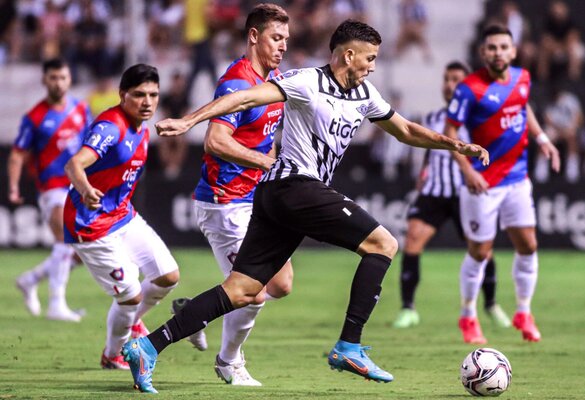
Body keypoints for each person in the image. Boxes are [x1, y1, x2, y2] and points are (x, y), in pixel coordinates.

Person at [122, 20, 488, 393]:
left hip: (272, 194)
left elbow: (406, 130)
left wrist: (454, 145)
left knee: (244, 290)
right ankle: (349, 345)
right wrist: (190, 120)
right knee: (384, 244)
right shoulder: (305, 81)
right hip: (294, 186)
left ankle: (147, 346)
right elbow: (246, 97)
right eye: (370, 58)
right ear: (349, 54)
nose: (373, 66)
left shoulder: (365, 93)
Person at [170, 3, 294, 386]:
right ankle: (229, 363)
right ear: (254, 36)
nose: (283, 46)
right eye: (276, 38)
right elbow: (215, 140)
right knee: (253, 292)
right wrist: (263, 161)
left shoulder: (274, 79)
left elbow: (263, 135)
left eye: (286, 39)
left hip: (254, 200)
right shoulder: (237, 83)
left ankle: (194, 311)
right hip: (224, 201)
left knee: (281, 285)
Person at [444, 25, 560, 344]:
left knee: (529, 245)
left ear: (513, 50)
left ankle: (524, 311)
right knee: (481, 252)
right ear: (483, 53)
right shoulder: (469, 89)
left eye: (503, 47)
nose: (498, 52)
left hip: (517, 179)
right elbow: (450, 132)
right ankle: (468, 315)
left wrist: (543, 138)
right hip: (483, 184)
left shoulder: (522, 78)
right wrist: (467, 170)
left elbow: (523, 107)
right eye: (491, 47)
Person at [63, 64, 180, 370]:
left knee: (168, 276)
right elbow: (75, 164)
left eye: (153, 95)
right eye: (139, 95)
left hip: (122, 216)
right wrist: (87, 189)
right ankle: (113, 353)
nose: (148, 102)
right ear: (122, 95)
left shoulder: (141, 127)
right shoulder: (111, 127)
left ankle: (134, 323)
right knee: (130, 296)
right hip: (91, 223)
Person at [393, 61, 510, 329]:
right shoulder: (433, 118)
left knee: (482, 250)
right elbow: (428, 150)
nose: (449, 84)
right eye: (446, 79)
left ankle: (491, 305)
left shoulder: (481, 119)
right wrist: (422, 175)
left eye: (456, 79)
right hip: (434, 192)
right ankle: (408, 309)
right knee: (412, 241)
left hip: (466, 193)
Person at [9, 58, 92, 322]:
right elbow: (17, 154)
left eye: (63, 77)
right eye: (53, 77)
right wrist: (13, 186)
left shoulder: (81, 109)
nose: (58, 82)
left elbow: (92, 147)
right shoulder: (34, 117)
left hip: (78, 186)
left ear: (69, 79)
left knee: (80, 253)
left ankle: (30, 279)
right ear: (45, 80)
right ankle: (56, 304)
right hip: (52, 188)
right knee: (64, 241)